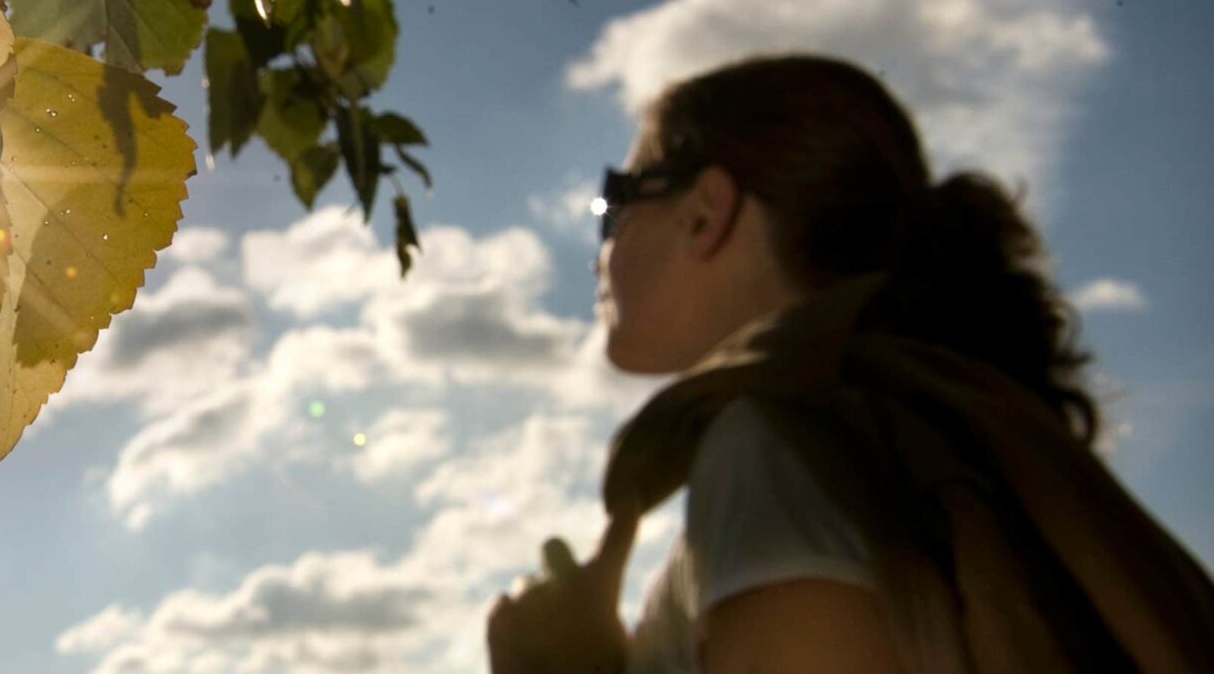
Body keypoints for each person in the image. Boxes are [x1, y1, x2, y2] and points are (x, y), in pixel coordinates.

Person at [484, 54, 1214, 674]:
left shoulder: (776, 441)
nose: (600, 247)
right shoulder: (967, 429)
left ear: (706, 213)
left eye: (616, 201)